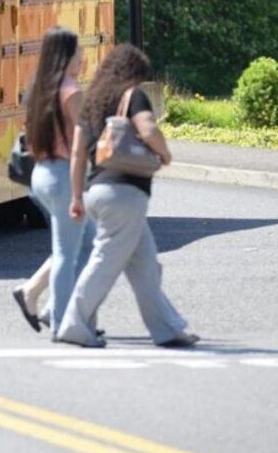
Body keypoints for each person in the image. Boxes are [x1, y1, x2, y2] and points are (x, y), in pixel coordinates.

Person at [55, 43, 198, 348]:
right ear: (133, 73)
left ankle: (168, 328)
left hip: (97, 191)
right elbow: (147, 129)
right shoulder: (132, 96)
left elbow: (79, 153)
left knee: (146, 264)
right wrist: (165, 154)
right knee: (105, 262)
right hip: (125, 194)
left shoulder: (92, 100)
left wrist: (77, 197)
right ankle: (73, 323)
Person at [12, 27, 96, 338]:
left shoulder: (40, 91)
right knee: (67, 251)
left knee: (86, 243)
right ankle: (62, 321)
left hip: (40, 174)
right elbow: (79, 144)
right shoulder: (72, 92)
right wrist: (78, 192)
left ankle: (36, 296)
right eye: (78, 53)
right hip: (63, 175)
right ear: (66, 57)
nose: (82, 58)